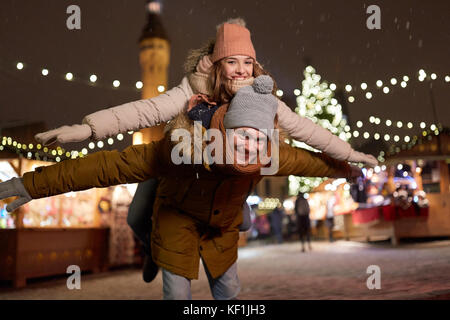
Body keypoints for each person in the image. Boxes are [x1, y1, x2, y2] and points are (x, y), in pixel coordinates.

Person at [34, 18, 377, 283]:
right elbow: (144, 112)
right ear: (216, 63)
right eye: (231, 61)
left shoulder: (261, 96)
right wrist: (87, 128)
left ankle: (219, 227)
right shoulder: (192, 87)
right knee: (138, 215)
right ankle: (155, 251)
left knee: (238, 218)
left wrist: (350, 153)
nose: (240, 69)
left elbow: (305, 129)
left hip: (226, 176)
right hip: (178, 164)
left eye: (247, 62)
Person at [0, 75, 363, 300]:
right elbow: (108, 166)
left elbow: (311, 161)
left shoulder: (267, 153)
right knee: (146, 229)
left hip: (221, 221)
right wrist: (31, 185)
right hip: (176, 211)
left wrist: (347, 169)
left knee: (230, 288)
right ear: (225, 131)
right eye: (243, 136)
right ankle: (151, 255)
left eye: (259, 137)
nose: (250, 145)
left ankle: (236, 215)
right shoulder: (183, 145)